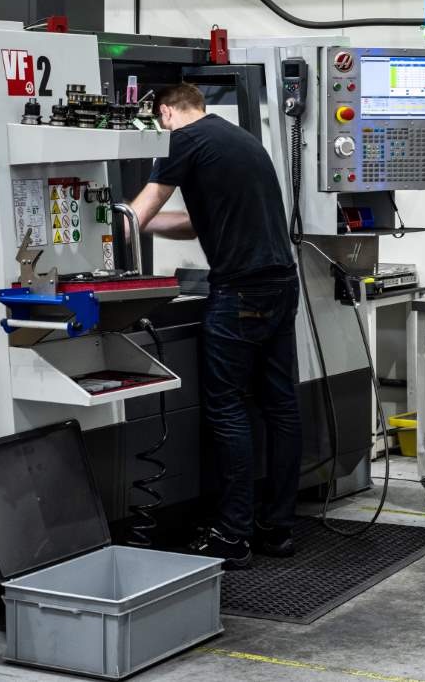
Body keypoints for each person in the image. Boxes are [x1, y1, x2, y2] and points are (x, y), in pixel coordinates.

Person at [128, 82, 302, 569]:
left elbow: (139, 210)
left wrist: (114, 220)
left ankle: (231, 537)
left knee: (228, 410)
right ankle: (278, 527)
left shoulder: (180, 140)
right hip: (280, 285)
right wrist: (148, 224)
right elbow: (197, 221)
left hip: (240, 292)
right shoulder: (240, 139)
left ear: (165, 112)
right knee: (281, 408)